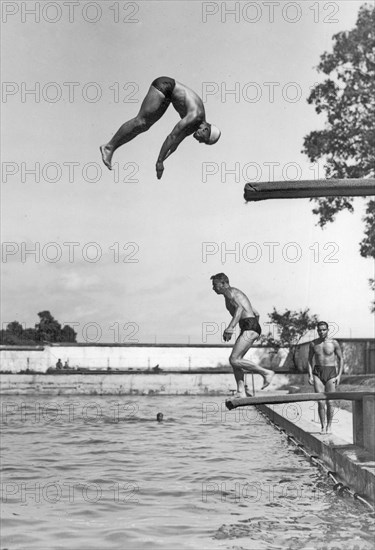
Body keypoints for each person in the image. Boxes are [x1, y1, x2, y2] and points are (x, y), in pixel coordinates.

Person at [100, 76, 221, 179]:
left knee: (144, 126)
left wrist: (162, 161)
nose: (199, 141)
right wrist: (159, 161)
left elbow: (174, 145)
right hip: (165, 86)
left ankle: (110, 147)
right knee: (141, 121)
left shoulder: (193, 126)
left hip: (168, 95)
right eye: (203, 140)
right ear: (205, 130)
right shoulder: (195, 116)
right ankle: (109, 147)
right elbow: (172, 136)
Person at [210, 273, 275, 397]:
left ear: (223, 283)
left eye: (215, 285)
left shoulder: (229, 291)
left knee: (234, 360)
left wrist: (230, 327)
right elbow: (256, 313)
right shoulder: (235, 293)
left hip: (249, 326)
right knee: (236, 361)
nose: (213, 288)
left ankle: (266, 373)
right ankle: (241, 391)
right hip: (249, 326)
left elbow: (239, 309)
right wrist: (255, 328)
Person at [308, 321, 343, 434]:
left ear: (328, 330)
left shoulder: (334, 343)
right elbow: (309, 360)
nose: (321, 332)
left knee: (330, 402)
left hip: (331, 372)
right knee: (320, 401)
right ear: (317, 331)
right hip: (318, 372)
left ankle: (329, 426)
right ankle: (323, 426)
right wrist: (310, 375)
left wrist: (339, 375)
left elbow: (341, 358)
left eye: (323, 329)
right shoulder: (313, 344)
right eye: (319, 330)